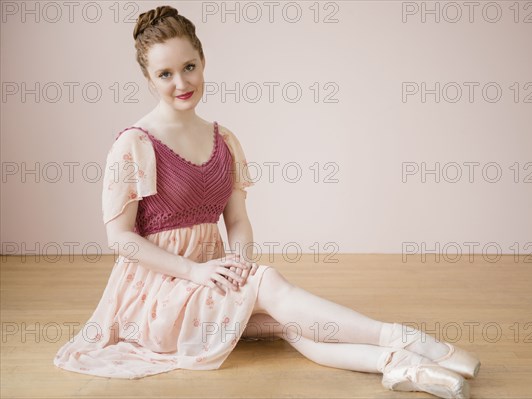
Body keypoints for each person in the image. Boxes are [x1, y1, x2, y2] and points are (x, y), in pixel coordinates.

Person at [53, 6, 480, 398]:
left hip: (213, 279)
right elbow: (119, 238)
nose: (181, 83)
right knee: (271, 285)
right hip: (156, 297)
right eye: (165, 74)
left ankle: (400, 367)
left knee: (287, 324)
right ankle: (405, 338)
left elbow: (237, 220)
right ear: (148, 78)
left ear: (203, 63)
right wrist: (196, 271)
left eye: (189, 67)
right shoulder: (134, 144)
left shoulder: (225, 140)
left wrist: (238, 265)